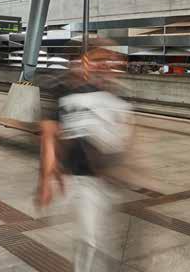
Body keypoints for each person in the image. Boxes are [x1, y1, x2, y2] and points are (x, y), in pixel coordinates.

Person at [37, 48, 134, 272]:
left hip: (104, 180)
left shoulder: (115, 97)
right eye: (99, 62)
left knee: (99, 239)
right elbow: (50, 133)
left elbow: (124, 134)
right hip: (81, 179)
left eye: (110, 64)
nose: (105, 67)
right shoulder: (65, 93)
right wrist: (46, 176)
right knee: (90, 240)